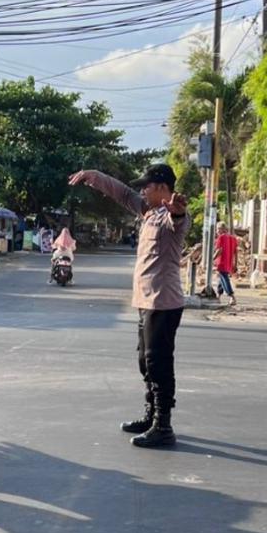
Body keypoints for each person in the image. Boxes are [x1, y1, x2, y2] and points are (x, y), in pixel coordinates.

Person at [69, 162, 189, 448]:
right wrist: (94, 176)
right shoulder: (148, 212)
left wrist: (179, 211)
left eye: (146, 186)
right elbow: (121, 193)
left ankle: (163, 425)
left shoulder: (170, 215)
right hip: (145, 301)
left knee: (159, 364)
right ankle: (150, 416)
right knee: (145, 362)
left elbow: (179, 220)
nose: (141, 190)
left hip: (163, 301)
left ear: (161, 188)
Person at [213, 222, 238, 306]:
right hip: (229, 262)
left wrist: (212, 258)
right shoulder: (233, 238)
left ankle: (232, 296)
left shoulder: (221, 237)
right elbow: (236, 252)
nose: (217, 231)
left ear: (223, 229)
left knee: (224, 278)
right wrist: (235, 264)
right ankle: (218, 296)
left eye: (218, 229)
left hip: (221, 262)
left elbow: (219, 250)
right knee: (221, 279)